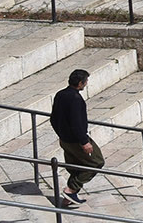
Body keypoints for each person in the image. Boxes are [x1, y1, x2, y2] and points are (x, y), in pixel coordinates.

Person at [49, 68, 102, 205]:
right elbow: (76, 123)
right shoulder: (75, 99)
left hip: (65, 139)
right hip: (76, 140)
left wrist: (61, 134)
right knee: (96, 162)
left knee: (76, 167)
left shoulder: (60, 94)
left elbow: (53, 119)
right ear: (80, 83)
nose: (86, 84)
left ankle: (68, 199)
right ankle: (71, 190)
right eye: (85, 82)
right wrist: (85, 142)